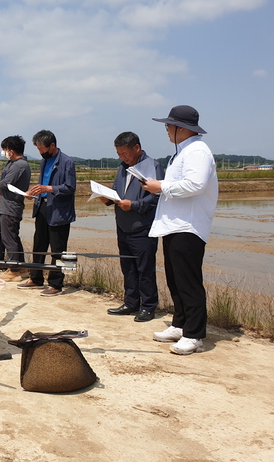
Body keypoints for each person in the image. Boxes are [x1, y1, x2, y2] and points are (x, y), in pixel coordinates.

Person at [144, 105, 218, 355]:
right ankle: (180, 324)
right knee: (175, 279)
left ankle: (195, 335)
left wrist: (160, 186)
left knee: (188, 281)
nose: (166, 131)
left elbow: (195, 184)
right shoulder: (182, 151)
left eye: (168, 126)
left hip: (189, 225)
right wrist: (160, 186)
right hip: (175, 224)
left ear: (181, 128)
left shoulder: (198, 151)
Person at [100, 132, 164, 321]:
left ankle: (149, 306)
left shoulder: (152, 166)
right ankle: (131, 302)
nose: (122, 157)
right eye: (119, 153)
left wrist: (134, 205)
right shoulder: (122, 168)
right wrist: (108, 198)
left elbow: (157, 196)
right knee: (127, 267)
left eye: (125, 153)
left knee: (145, 269)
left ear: (137, 148)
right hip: (123, 225)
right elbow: (117, 191)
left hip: (143, 227)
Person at [20, 130, 76, 296]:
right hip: (42, 207)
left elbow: (70, 187)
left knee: (59, 249)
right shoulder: (44, 162)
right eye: (38, 149)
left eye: (42, 149)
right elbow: (42, 184)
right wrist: (35, 193)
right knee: (39, 244)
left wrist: (49, 189)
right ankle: (35, 278)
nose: (40, 152)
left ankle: (56, 284)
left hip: (60, 211)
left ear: (52, 145)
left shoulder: (67, 162)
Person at [0, 136, 31, 282]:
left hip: (11, 207)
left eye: (4, 149)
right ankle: (22, 267)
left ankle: (14, 270)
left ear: (11, 151)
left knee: (9, 238)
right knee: (12, 237)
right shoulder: (12, 163)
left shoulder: (19, 165)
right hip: (6, 204)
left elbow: (7, 183)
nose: (3, 152)